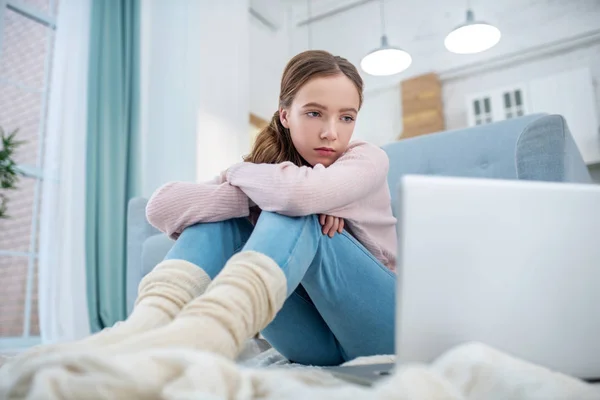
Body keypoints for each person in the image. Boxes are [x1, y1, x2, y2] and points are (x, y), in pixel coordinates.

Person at [14, 50, 397, 367]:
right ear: (285, 115)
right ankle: (147, 324)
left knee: (291, 209)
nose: (332, 131)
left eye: (346, 117)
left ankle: (214, 328)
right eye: (314, 113)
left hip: (381, 328)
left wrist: (255, 185)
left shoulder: (365, 159)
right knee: (236, 216)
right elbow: (162, 207)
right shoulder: (265, 177)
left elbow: (297, 197)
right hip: (314, 346)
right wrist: (253, 195)